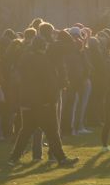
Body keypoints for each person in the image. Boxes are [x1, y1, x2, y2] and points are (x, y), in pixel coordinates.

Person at [8, 25, 78, 168]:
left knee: (26, 131)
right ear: (42, 47)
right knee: (52, 132)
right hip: (43, 103)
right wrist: (51, 100)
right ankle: (62, 158)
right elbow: (49, 82)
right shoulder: (43, 61)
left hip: (27, 101)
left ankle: (13, 158)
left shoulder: (25, 58)